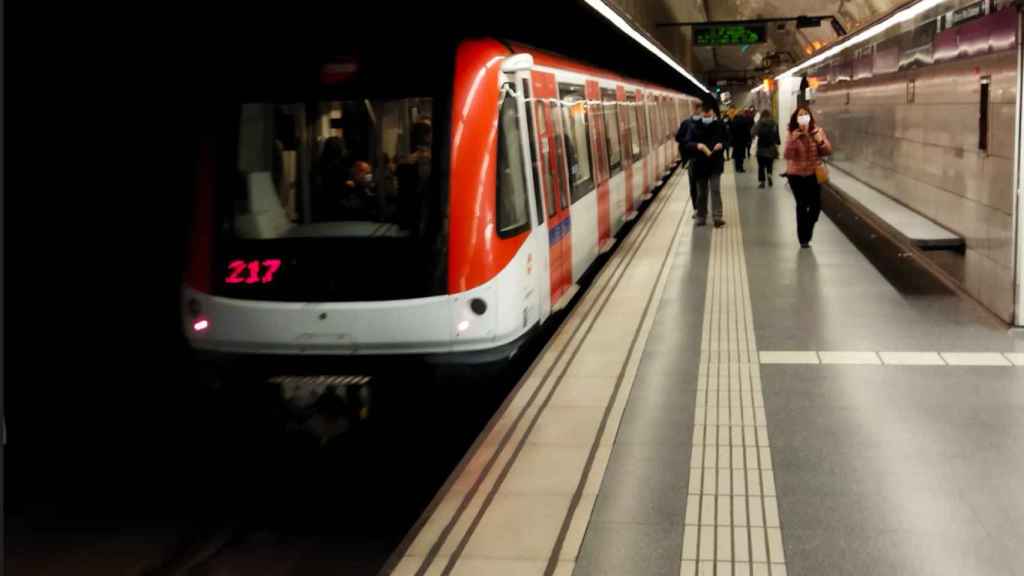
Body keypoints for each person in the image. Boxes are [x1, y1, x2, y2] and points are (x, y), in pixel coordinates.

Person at [783, 106, 832, 248]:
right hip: (796, 175)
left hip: (813, 174)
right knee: (802, 205)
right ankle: (803, 238)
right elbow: (787, 155)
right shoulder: (792, 133)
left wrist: (820, 141)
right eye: (800, 115)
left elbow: (827, 151)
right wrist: (793, 140)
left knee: (816, 205)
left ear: (810, 116)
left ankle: (807, 228)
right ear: (796, 118)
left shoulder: (817, 131)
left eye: (806, 114)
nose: (803, 116)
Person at [683, 98, 728, 227]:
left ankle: (717, 217)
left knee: (715, 189)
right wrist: (698, 146)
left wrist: (722, 145)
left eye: (709, 115)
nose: (707, 117)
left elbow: (727, 140)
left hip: (715, 163)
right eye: (705, 115)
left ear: (713, 113)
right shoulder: (694, 126)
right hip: (700, 164)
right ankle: (701, 216)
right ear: (701, 114)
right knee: (701, 192)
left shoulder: (720, 125)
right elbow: (687, 143)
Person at [675, 103, 703, 217]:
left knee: (703, 185)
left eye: (701, 110)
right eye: (698, 110)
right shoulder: (686, 123)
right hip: (692, 159)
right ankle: (697, 208)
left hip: (704, 159)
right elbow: (678, 138)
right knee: (694, 185)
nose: (699, 112)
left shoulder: (707, 124)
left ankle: (701, 208)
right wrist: (687, 141)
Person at [752, 109, 781, 189]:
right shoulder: (774, 123)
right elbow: (776, 134)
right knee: (769, 164)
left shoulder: (759, 122)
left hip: (761, 147)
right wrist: (778, 142)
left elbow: (753, 132)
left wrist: (754, 137)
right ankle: (769, 174)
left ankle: (762, 182)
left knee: (761, 166)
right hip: (771, 148)